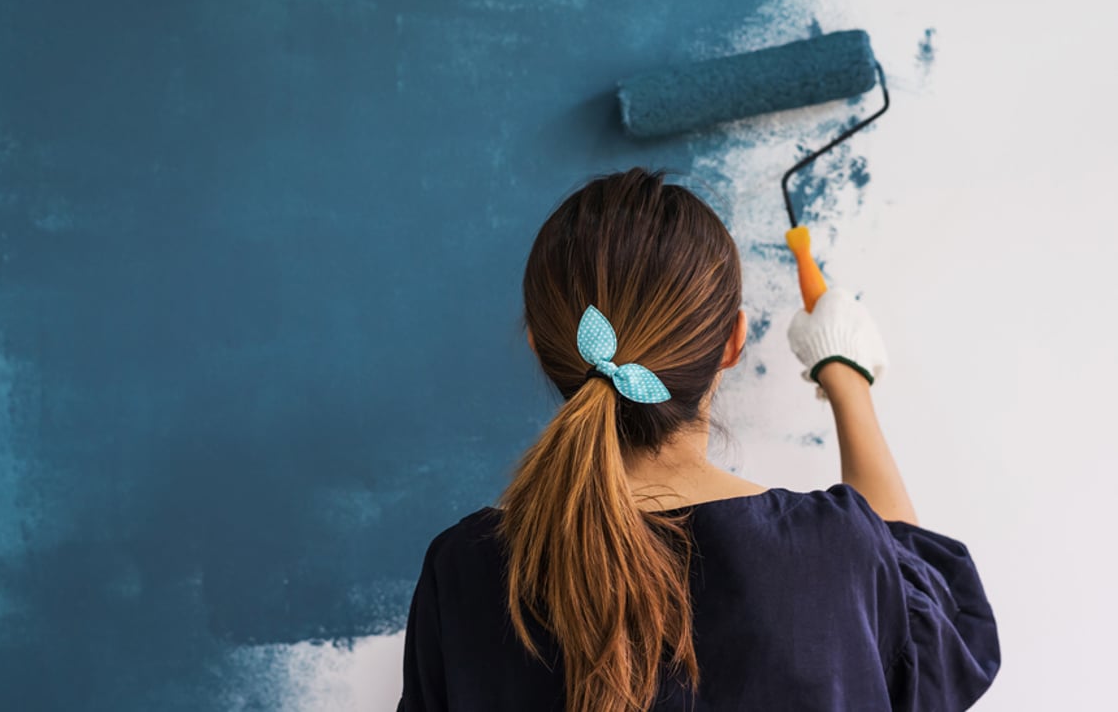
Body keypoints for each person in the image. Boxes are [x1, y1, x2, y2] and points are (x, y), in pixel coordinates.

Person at [397, 168, 999, 711]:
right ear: (735, 343)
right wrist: (846, 376)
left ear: (539, 345)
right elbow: (935, 632)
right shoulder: (833, 553)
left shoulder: (464, 573)